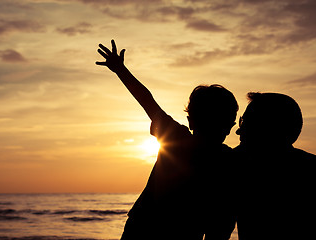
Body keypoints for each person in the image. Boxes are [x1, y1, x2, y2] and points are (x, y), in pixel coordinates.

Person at [96, 40, 238, 240]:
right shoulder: (228, 158)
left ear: (190, 121)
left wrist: (120, 70)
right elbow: (222, 219)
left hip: (144, 228)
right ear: (230, 126)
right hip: (180, 232)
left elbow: (147, 101)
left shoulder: (177, 137)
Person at [234, 92, 316, 240]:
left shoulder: (238, 167)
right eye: (241, 122)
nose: (239, 130)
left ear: (268, 127)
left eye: (247, 122)